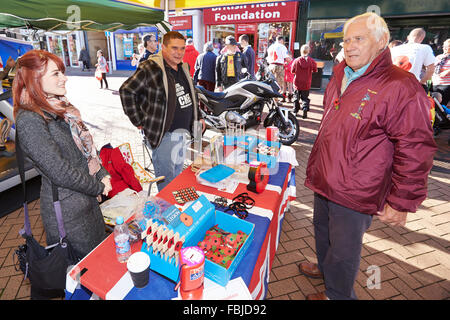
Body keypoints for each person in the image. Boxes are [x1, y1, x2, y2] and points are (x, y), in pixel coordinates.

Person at [300, 13, 437, 300]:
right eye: (347, 39)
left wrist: (401, 202)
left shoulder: (400, 85)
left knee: (344, 250)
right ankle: (326, 273)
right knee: (322, 233)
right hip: (325, 175)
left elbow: (415, 147)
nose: (349, 46)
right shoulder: (341, 72)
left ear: (381, 41)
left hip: (356, 188)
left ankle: (337, 294)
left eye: (359, 39)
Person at [12, 50, 112, 259]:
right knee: (80, 276)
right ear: (35, 78)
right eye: (56, 74)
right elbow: (59, 171)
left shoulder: (59, 107)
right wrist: (99, 186)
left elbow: (84, 150)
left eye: (62, 73)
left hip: (88, 203)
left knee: (98, 263)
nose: (64, 78)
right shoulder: (29, 119)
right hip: (68, 213)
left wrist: (102, 172)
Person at [120, 31, 205, 192]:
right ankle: (167, 213)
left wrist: (198, 116)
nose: (179, 53)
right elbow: (126, 91)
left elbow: (191, 95)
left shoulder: (183, 67)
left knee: (177, 176)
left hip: (183, 133)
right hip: (164, 135)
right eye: (174, 48)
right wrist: (138, 121)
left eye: (182, 48)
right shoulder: (151, 67)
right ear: (163, 47)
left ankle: (174, 210)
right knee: (167, 182)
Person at [291, 44, 317, 117]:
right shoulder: (311, 61)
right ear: (308, 51)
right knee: (305, 97)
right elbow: (315, 70)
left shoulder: (296, 60)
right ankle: (305, 108)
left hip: (297, 82)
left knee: (296, 97)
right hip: (306, 82)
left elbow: (292, 71)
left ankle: (295, 111)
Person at [194, 42, 217, 111]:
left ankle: (202, 109)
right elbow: (216, 69)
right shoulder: (215, 56)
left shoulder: (200, 56)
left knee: (202, 95)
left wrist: (195, 80)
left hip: (201, 78)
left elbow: (196, 68)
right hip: (211, 79)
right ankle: (209, 110)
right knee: (210, 95)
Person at [432, 38, 450, 106]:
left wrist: (448, 71)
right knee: (433, 104)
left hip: (447, 84)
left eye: (447, 46)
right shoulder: (439, 57)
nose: (444, 48)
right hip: (435, 83)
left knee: (441, 105)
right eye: (443, 46)